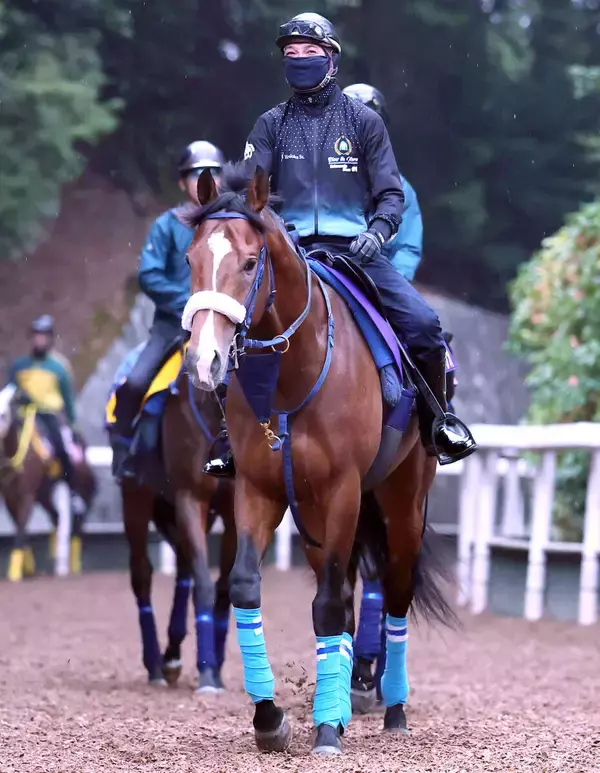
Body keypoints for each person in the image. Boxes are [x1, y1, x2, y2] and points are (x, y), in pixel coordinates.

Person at [203, 12, 476, 477]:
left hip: (356, 252)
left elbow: (391, 193)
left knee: (426, 327)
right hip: (287, 251)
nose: (300, 60)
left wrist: (378, 232)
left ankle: (438, 425)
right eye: (291, 54)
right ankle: (232, 437)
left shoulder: (365, 122)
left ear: (331, 58)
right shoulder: (269, 124)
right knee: (226, 327)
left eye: (310, 52)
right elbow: (249, 187)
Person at [111, 141, 226, 477]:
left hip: (221, 327)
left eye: (215, 173)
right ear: (182, 182)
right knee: (135, 383)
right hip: (171, 327)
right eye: (196, 175)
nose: (206, 180)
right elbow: (149, 274)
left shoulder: (230, 224)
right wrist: (190, 304)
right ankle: (124, 451)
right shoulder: (166, 224)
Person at [342, 83, 422, 281]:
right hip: (317, 270)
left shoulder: (401, 189)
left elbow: (407, 249)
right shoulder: (309, 179)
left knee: (420, 313)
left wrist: (392, 279)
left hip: (377, 278)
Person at [6, 315, 77, 491]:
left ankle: (72, 491)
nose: (39, 339)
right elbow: (10, 391)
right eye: (36, 335)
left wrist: (72, 425)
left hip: (49, 415)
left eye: (43, 335)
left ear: (50, 338)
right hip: (24, 416)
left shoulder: (59, 367)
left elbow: (67, 399)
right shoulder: (19, 365)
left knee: (61, 448)